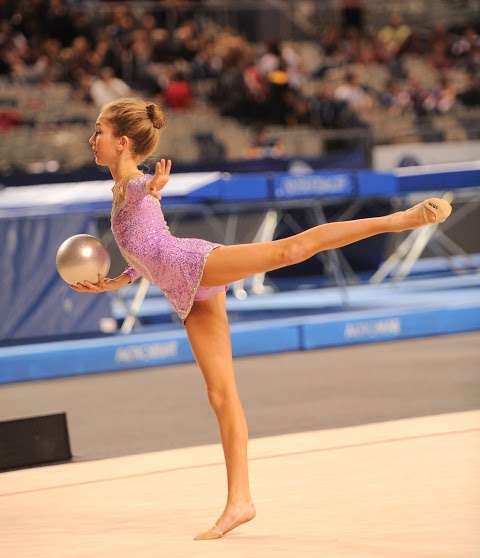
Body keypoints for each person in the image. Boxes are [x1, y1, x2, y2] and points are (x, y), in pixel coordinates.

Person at [69, 97, 452, 540]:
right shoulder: (119, 190)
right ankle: (240, 502)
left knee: (291, 249)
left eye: (98, 130)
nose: (91, 138)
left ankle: (398, 218)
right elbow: (145, 247)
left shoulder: (134, 185)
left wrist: (151, 187)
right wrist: (118, 280)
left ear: (121, 142)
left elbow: (148, 202)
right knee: (221, 395)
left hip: (193, 264)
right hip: (182, 290)